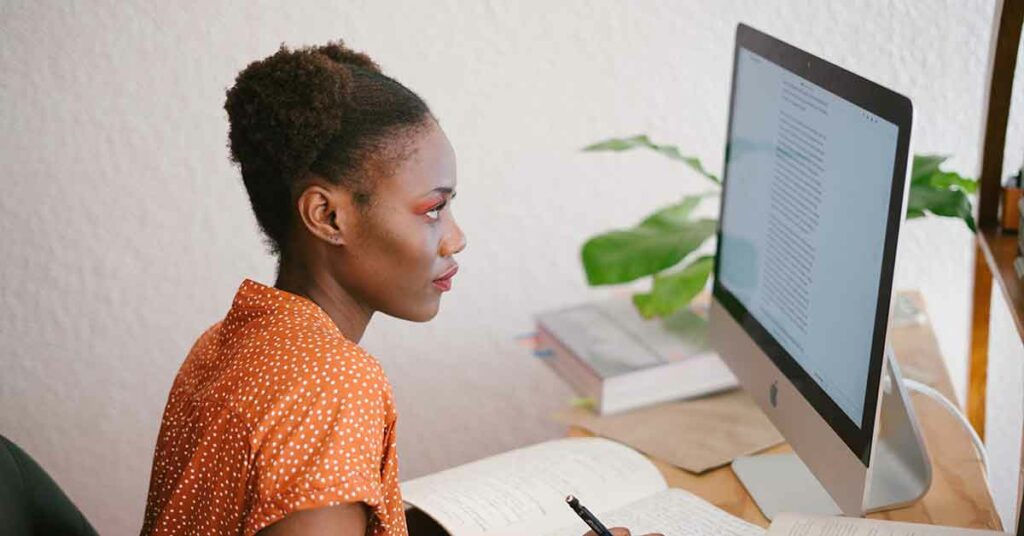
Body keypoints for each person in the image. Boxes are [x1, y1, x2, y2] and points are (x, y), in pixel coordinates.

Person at [140, 41, 659, 536]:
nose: (456, 238)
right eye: (433, 208)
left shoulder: (226, 342)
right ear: (328, 216)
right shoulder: (334, 386)